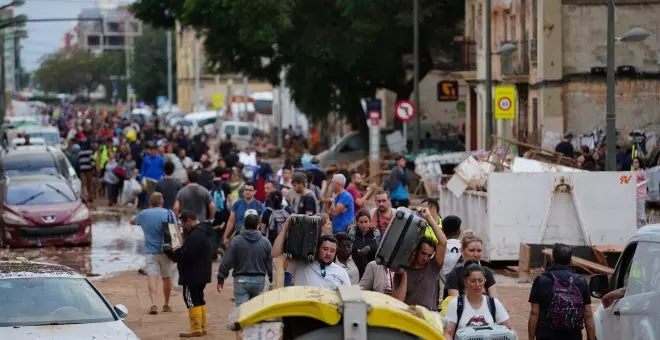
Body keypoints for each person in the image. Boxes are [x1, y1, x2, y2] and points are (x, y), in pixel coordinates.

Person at [528, 243, 595, 340]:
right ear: (571, 261)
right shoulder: (580, 281)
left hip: (546, 336)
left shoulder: (541, 280)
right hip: (573, 336)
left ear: (552, 258)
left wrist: (530, 338)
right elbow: (588, 315)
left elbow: (534, 312)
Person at [168, 211, 215, 338]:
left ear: (189, 221)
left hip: (192, 274)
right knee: (199, 298)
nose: (183, 227)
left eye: (183, 224)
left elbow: (186, 254)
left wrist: (176, 251)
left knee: (190, 299)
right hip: (203, 272)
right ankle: (202, 327)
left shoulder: (195, 235)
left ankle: (195, 328)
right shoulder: (205, 231)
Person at [391, 207, 448, 311]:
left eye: (429, 255)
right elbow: (398, 301)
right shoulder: (401, 271)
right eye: (423, 253)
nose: (426, 258)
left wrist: (429, 217)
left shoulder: (433, 267)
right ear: (416, 251)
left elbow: (443, 242)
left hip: (430, 318)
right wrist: (404, 275)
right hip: (411, 320)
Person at [129, 192, 176, 315]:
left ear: (150, 202)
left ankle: (153, 304)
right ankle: (166, 304)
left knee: (152, 276)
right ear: (162, 202)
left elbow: (132, 221)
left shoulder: (144, 214)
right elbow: (175, 230)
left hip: (150, 251)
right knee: (166, 278)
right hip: (167, 251)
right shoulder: (169, 213)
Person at [272, 221, 351, 289]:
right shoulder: (301, 263)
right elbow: (275, 254)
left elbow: (351, 301)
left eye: (332, 251)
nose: (328, 253)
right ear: (317, 249)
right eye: (325, 249)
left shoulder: (341, 272)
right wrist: (285, 229)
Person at [217, 211, 273, 306]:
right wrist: (271, 275)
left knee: (241, 312)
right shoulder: (266, 242)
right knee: (257, 312)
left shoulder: (236, 241)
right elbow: (269, 261)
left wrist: (221, 277)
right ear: (258, 226)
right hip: (259, 281)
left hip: (240, 281)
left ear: (244, 225)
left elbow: (226, 261)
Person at [443, 262, 512, 338]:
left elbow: (508, 330)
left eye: (480, 280)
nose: (477, 285)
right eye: (473, 281)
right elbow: (448, 333)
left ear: (484, 281)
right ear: (465, 282)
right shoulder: (455, 304)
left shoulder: (494, 303)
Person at [445, 232, 497, 299]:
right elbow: (456, 305)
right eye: (472, 250)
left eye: (479, 251)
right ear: (462, 251)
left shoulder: (487, 272)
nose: (476, 254)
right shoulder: (454, 275)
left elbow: (494, 301)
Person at [348, 210, 380, 278]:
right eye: (361, 222)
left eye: (366, 221)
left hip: (373, 270)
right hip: (356, 270)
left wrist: (369, 248)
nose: (364, 225)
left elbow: (380, 249)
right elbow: (348, 249)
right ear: (357, 222)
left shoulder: (376, 233)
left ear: (370, 221)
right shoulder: (352, 233)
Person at [633, 157, 648, 228]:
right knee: (637, 214)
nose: (635, 163)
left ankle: (643, 229)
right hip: (635, 196)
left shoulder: (641, 172)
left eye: (637, 162)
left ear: (640, 163)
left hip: (640, 196)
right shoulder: (634, 172)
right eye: (634, 162)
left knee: (641, 214)